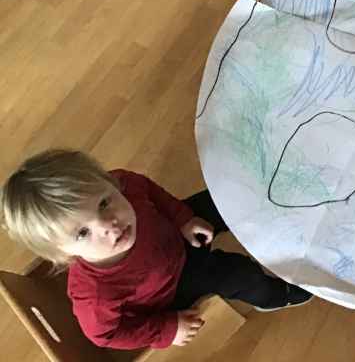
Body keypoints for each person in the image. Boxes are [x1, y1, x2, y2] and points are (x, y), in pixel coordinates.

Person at [0, 149, 313, 350]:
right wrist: (166, 330)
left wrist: (183, 218)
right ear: (63, 252)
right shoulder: (95, 294)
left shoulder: (125, 186)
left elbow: (148, 190)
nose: (109, 224)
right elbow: (106, 335)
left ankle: (276, 203)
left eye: (104, 202)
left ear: (109, 182)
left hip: (174, 232)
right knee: (239, 274)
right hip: (171, 288)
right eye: (82, 232)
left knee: (222, 198)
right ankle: (276, 295)